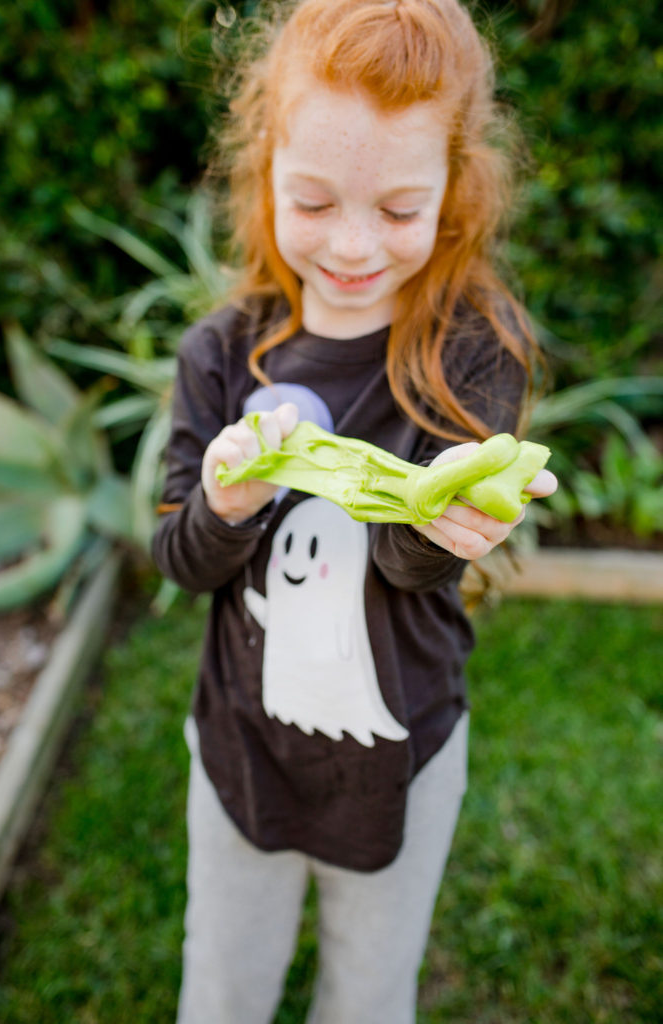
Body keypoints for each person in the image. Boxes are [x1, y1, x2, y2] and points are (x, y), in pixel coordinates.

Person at [152, 2, 557, 1022]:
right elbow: (178, 556)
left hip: (400, 754)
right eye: (314, 200)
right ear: (267, 171)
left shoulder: (473, 351)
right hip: (243, 746)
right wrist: (226, 504)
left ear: (453, 186)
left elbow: (410, 566)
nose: (352, 243)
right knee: (223, 985)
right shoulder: (218, 352)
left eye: (398, 208)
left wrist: (440, 525)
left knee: (369, 992)